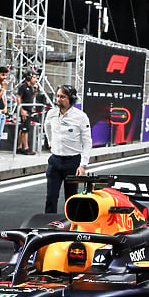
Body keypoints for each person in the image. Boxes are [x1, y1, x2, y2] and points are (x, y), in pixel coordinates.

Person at [42, 85, 92, 213]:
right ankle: (49, 225)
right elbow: (47, 127)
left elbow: (87, 142)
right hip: (55, 161)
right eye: (58, 96)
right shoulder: (51, 114)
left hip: (72, 162)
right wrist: (50, 142)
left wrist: (83, 165)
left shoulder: (81, 117)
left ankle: (71, 225)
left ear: (71, 99)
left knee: (71, 199)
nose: (59, 99)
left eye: (63, 97)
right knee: (51, 197)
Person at [16, 72, 38, 154]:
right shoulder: (23, 87)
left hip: (28, 109)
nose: (35, 80)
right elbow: (18, 97)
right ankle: (26, 148)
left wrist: (35, 90)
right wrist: (21, 110)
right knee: (25, 129)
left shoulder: (30, 87)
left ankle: (20, 146)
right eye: (34, 77)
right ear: (29, 78)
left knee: (24, 129)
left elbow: (31, 97)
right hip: (24, 109)